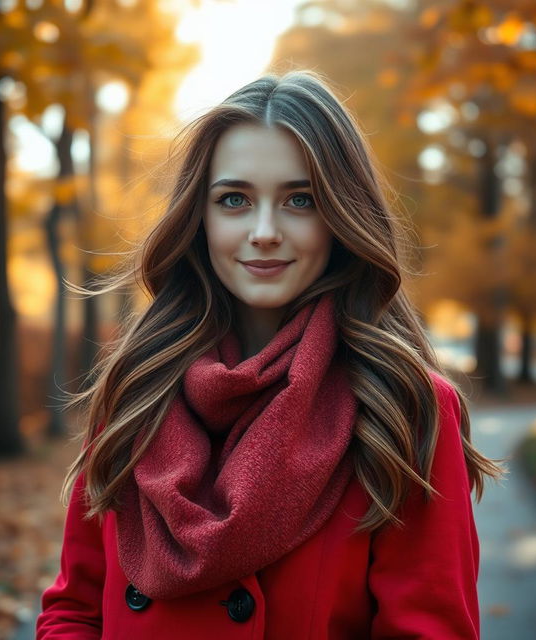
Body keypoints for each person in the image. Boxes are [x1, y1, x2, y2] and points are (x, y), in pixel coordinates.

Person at [35, 69, 507, 639]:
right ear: (200, 217)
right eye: (234, 199)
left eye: (299, 200)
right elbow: (74, 611)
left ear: (340, 216)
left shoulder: (403, 408)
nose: (263, 231)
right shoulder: (138, 391)